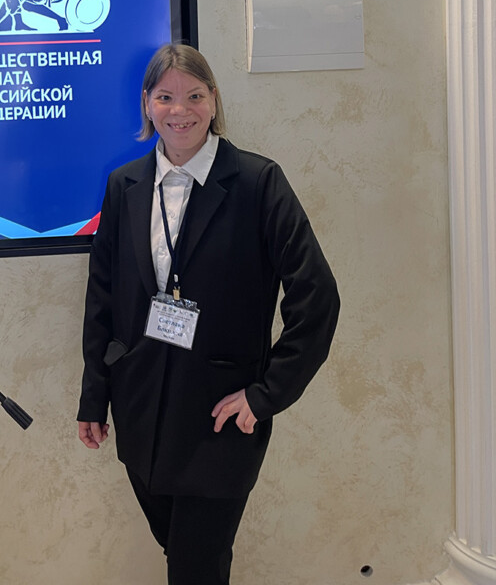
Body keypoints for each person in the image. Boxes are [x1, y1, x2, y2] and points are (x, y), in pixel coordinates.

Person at [77, 43, 339, 585]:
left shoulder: (258, 182)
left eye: (194, 96)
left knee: (196, 567)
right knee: (186, 559)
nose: (180, 110)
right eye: (165, 97)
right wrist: (94, 397)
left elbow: (317, 296)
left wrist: (267, 394)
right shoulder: (125, 185)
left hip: (219, 417)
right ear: (147, 104)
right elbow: (102, 299)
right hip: (141, 411)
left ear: (214, 101)